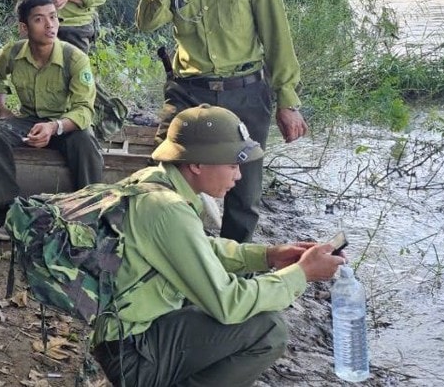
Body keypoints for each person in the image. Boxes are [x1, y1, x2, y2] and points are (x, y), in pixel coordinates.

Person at [92, 104, 345, 387]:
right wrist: (302, 274)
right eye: (233, 165)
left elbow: (200, 250)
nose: (238, 176)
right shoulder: (167, 210)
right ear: (197, 164)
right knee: (269, 331)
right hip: (131, 356)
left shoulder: (156, 182)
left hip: (125, 337)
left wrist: (267, 256)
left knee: (242, 278)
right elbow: (228, 303)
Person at [135, 0, 309, 243]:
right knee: (163, 173)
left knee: (244, 193)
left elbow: (277, 36)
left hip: (245, 93)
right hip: (188, 93)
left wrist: (287, 102)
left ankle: (231, 272)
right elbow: (145, 23)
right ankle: (173, 256)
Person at [0, 0, 103, 208]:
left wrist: (54, 127)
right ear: (24, 27)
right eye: (39, 19)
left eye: (53, 17)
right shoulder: (13, 53)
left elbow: (84, 110)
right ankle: (11, 210)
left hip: (65, 126)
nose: (50, 25)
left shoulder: (74, 58)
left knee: (86, 141)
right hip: (29, 122)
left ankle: (89, 210)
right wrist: (2, 109)